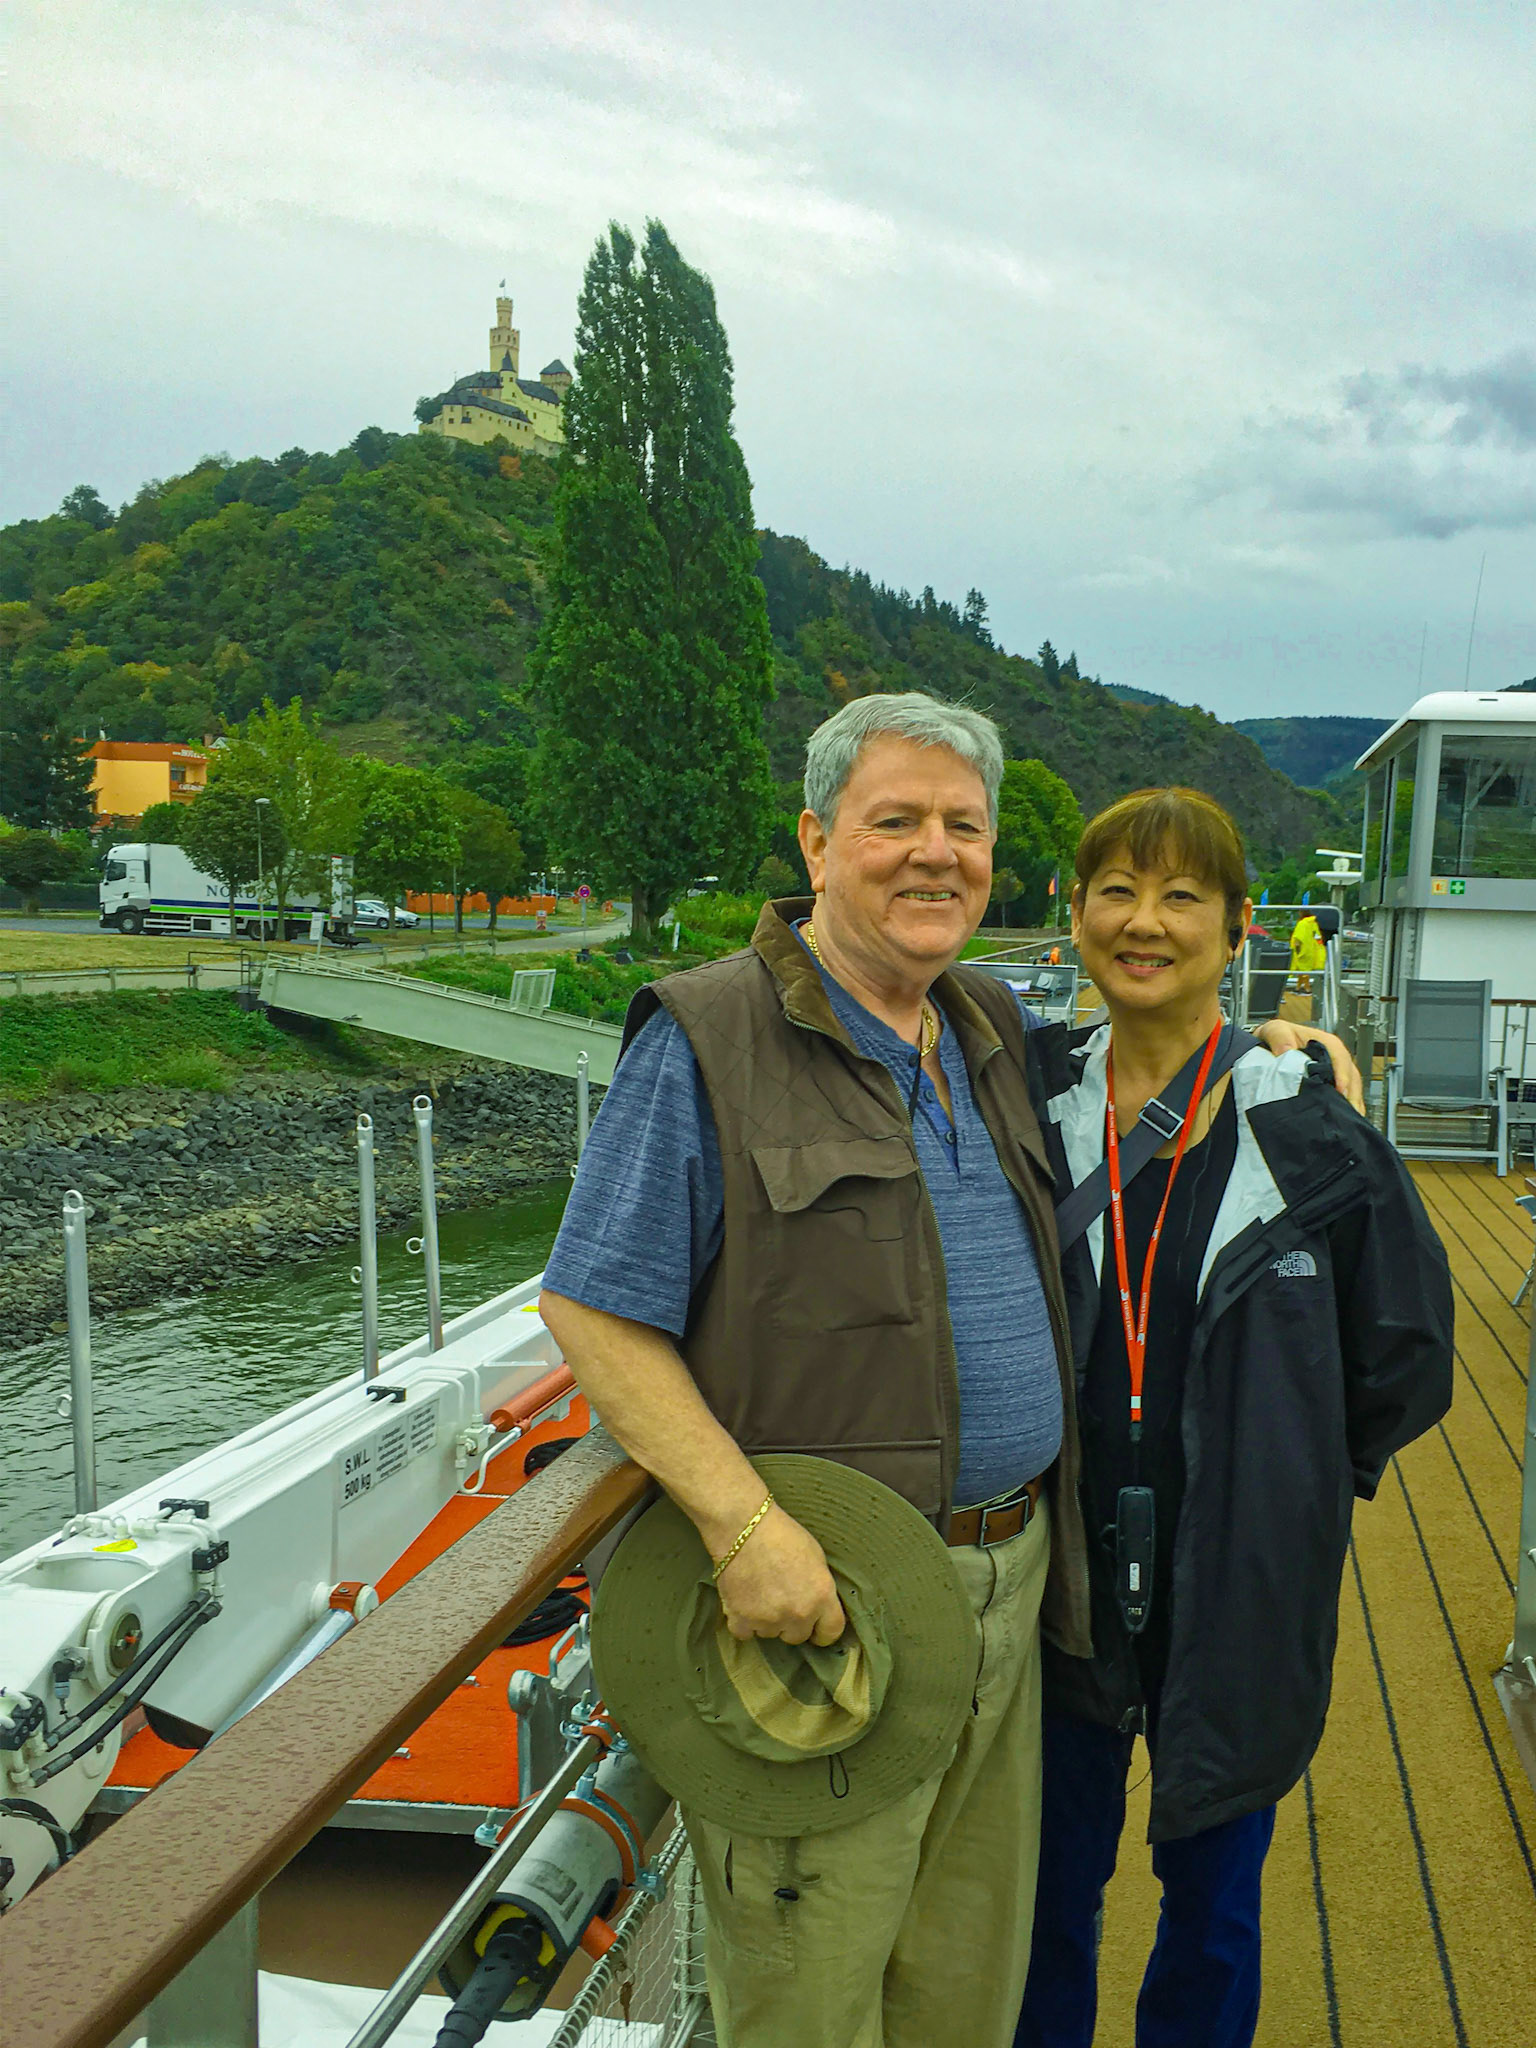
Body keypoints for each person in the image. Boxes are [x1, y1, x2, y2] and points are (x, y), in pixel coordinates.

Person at [538, 696, 1360, 2048]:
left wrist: (1273, 1052)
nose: (935, 854)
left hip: (1017, 1592)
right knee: (816, 1993)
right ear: (815, 844)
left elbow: (1153, 1061)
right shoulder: (708, 1039)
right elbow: (595, 1311)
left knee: (965, 1987)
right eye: (894, 822)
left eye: (962, 828)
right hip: (826, 1613)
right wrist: (742, 1529)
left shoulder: (981, 1027)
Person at [1013, 788, 1453, 2048]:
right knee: (1047, 1901)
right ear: (1077, 911)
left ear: (1240, 921)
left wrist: (1300, 1470)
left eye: (1181, 895)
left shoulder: (1307, 1127)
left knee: (1214, 1913)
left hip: (1244, 1585)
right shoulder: (1024, 1103)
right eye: (1116, 890)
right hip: (1060, 1582)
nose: (1144, 923)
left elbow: (1408, 1348)